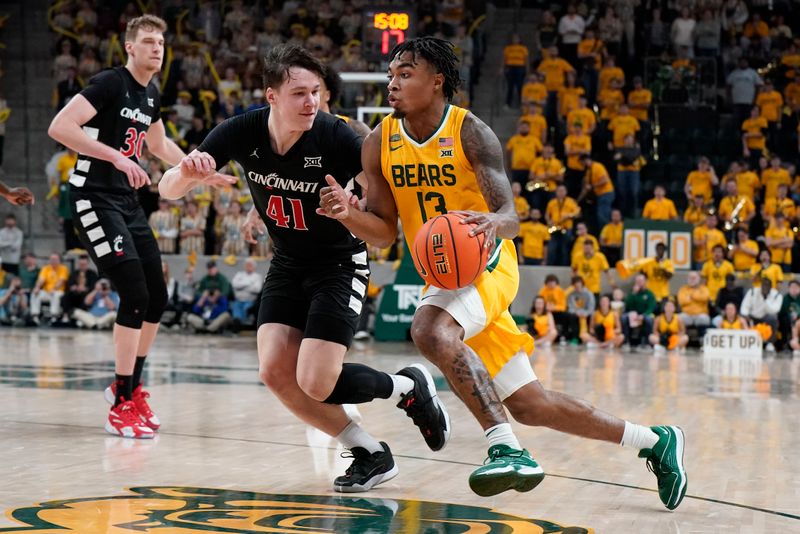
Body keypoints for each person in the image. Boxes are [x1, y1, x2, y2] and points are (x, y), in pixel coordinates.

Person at [318, 37, 687, 508]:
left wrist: (493, 222)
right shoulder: (378, 143)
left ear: (438, 81)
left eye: (405, 73)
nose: (393, 82)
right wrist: (348, 215)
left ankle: (505, 448)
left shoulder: (470, 131)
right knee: (531, 404)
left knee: (429, 329)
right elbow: (386, 233)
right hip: (444, 275)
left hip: (488, 261)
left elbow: (511, 216)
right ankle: (656, 442)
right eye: (391, 73)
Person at [158, 44, 449, 492]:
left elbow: (384, 229)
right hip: (288, 262)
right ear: (271, 96)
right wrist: (187, 172)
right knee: (275, 372)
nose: (310, 102)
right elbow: (168, 188)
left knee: (315, 381)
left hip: (339, 264)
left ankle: (403, 387)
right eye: (298, 93)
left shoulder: (338, 138)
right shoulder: (241, 130)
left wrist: (355, 207)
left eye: (315, 91)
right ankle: (370, 451)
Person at [47, 15, 231, 439]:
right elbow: (61, 126)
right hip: (92, 197)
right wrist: (114, 156)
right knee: (133, 291)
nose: (157, 48)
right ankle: (121, 401)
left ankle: (131, 388)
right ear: (129, 47)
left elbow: (157, 144)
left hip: (125, 202)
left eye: (161, 43)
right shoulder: (110, 82)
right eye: (148, 42)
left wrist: (198, 169)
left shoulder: (150, 91)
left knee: (157, 296)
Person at [741, 277, 783, 353]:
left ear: (771, 287)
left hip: (766, 320)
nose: (764, 287)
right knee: (742, 318)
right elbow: (744, 306)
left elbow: (775, 310)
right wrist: (745, 315)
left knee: (773, 318)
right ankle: (747, 343)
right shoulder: (752, 292)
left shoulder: (777, 295)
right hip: (752, 318)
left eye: (767, 286)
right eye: (763, 285)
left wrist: (765, 299)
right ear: (761, 285)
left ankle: (770, 343)